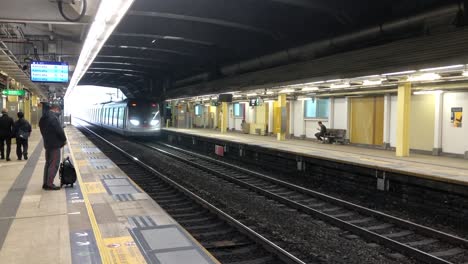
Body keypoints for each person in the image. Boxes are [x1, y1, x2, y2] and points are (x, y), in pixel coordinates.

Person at [39, 103, 67, 190]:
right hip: (54, 145)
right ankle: (50, 184)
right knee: (54, 164)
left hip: (47, 144)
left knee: (48, 164)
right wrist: (64, 139)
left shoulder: (43, 117)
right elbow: (59, 130)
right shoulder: (53, 118)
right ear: (55, 109)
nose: (59, 113)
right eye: (58, 111)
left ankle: (45, 183)